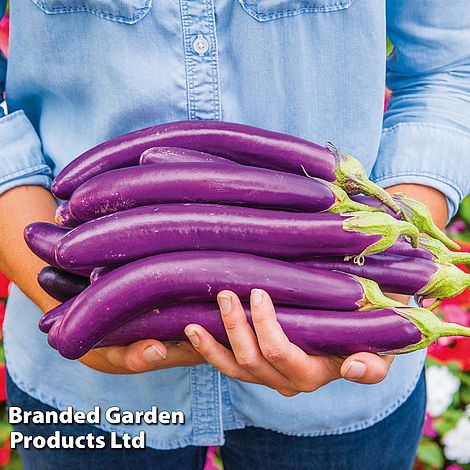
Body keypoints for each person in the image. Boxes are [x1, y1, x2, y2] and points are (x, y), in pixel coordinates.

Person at [0, 1, 469, 469]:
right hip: (86, 386)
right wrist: (50, 284)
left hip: (339, 393)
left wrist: (395, 253)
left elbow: (450, 68)